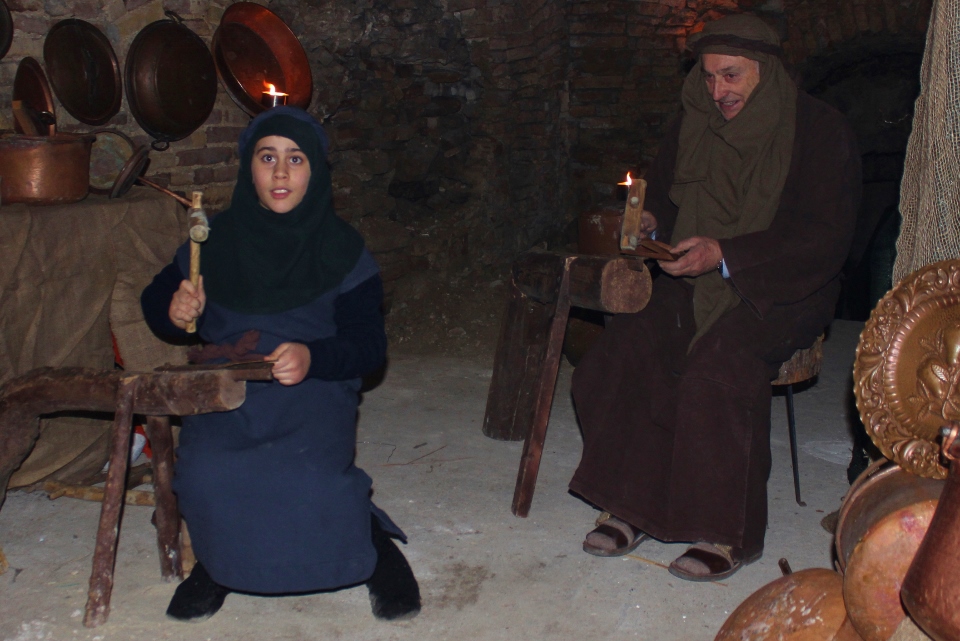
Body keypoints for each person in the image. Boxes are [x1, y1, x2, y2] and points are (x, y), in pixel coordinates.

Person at [568, 14, 861, 581]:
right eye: (707, 77)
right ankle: (631, 502)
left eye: (731, 76)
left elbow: (824, 238)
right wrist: (652, 220)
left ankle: (724, 530)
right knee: (623, 350)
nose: (717, 90)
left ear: (766, 72)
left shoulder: (821, 132)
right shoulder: (693, 122)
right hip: (693, 273)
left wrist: (727, 254)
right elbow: (667, 196)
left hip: (782, 284)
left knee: (719, 367)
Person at [141, 106, 421, 621]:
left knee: (308, 481)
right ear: (248, 167)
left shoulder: (343, 249)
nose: (281, 172)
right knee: (207, 476)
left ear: (315, 170)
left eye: (296, 159)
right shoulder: (212, 241)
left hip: (312, 387)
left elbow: (368, 346)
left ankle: (373, 547)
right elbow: (156, 303)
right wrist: (174, 310)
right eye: (267, 157)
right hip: (226, 390)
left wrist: (314, 356)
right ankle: (218, 565)